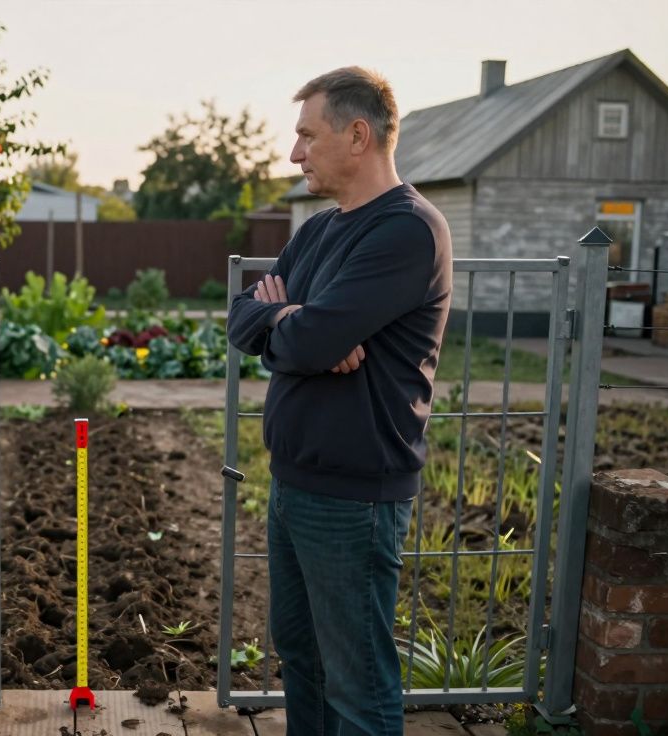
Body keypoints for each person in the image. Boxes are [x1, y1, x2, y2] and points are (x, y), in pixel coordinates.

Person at [227, 67, 453, 735]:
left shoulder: (409, 230)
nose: (294, 153)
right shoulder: (320, 231)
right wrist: (290, 325)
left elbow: (319, 335)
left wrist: (302, 326)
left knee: (358, 684)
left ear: (358, 135)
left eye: (305, 135)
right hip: (295, 481)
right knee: (301, 656)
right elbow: (244, 317)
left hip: (356, 496)